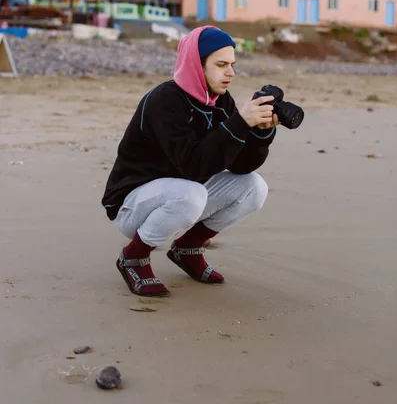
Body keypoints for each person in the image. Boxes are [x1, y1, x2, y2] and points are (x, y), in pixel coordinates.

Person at [101, 26, 279, 297]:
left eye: (232, 64)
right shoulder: (165, 100)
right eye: (221, 65)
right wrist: (239, 123)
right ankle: (133, 257)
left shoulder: (220, 102)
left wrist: (259, 133)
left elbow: (240, 166)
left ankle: (188, 248)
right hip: (132, 203)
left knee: (254, 187)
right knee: (192, 194)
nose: (230, 72)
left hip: (180, 194)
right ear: (197, 64)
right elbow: (194, 166)